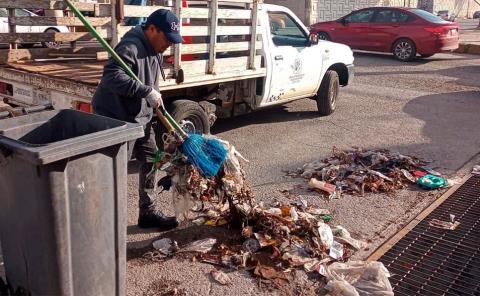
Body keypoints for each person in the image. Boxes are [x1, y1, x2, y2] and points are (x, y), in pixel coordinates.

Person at [92, 9, 183, 230]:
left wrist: (153, 99)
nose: (169, 45)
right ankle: (101, 222)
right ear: (152, 29)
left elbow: (151, 81)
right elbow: (112, 76)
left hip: (140, 117)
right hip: (116, 118)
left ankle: (147, 212)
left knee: (152, 159)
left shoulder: (155, 48)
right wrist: (144, 91)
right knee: (113, 170)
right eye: (167, 39)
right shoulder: (131, 45)